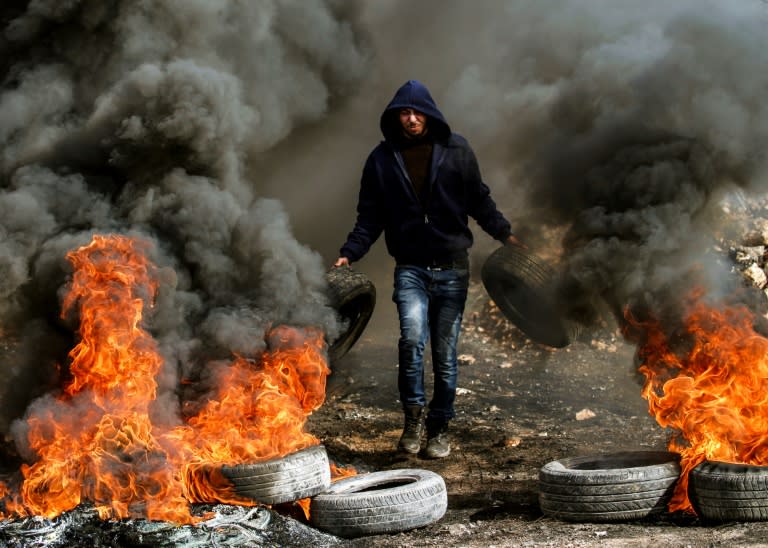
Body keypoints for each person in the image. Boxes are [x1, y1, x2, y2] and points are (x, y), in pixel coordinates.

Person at [334, 80, 524, 459]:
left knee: (445, 354)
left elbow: (478, 200)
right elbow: (369, 217)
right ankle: (413, 421)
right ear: (395, 117)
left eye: (417, 111)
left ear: (430, 114)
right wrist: (349, 253)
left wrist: (505, 234)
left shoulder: (457, 150)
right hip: (411, 269)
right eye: (404, 112)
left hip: (453, 269)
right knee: (411, 342)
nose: (411, 119)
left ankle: (439, 429)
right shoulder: (381, 159)